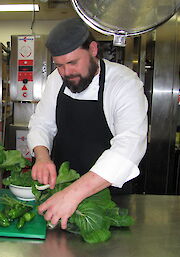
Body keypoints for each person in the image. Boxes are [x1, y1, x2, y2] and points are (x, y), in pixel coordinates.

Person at [27, 18, 148, 230]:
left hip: (108, 194)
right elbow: (42, 123)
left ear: (93, 49)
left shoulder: (124, 83)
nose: (66, 73)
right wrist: (42, 156)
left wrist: (74, 193)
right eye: (59, 65)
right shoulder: (57, 79)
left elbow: (129, 145)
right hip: (61, 189)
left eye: (73, 63)